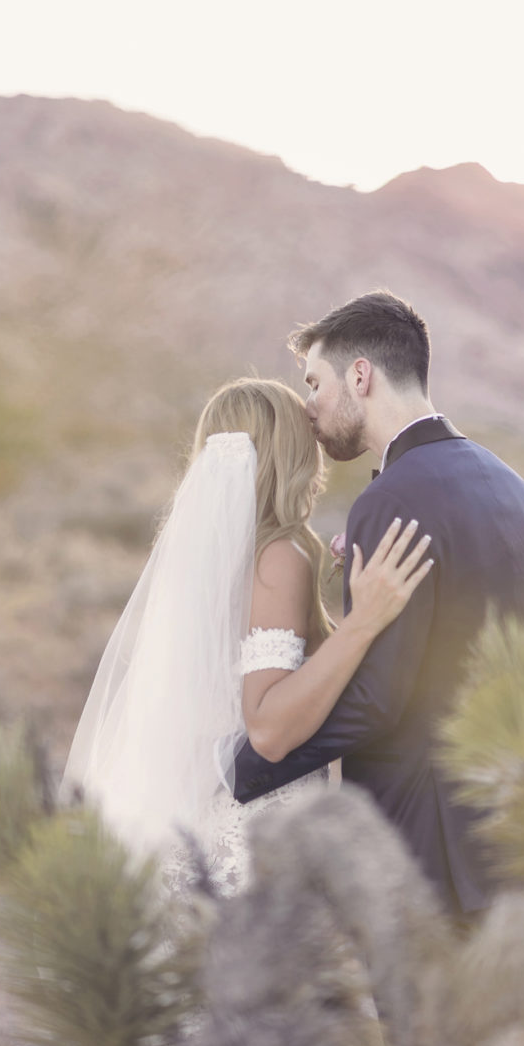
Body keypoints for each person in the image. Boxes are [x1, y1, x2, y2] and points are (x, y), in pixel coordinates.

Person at [232, 292, 524, 920]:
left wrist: (249, 767)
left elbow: (380, 697)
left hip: (418, 836)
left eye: (316, 383)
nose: (311, 410)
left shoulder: (390, 501)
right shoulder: (516, 490)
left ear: (361, 375)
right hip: (506, 826)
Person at [62, 376, 432, 896]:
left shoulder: (204, 560)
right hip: (255, 825)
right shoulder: (279, 556)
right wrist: (363, 620)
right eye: (306, 432)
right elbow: (268, 726)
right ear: (289, 450)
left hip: (197, 807)